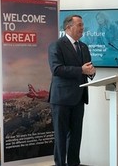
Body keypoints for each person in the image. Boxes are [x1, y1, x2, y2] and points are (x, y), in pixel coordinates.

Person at [48, 15, 96, 166]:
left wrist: (92, 72)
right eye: (80, 25)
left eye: (83, 25)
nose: (83, 28)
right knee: (61, 137)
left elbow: (87, 68)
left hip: (79, 98)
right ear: (68, 27)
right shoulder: (56, 45)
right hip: (61, 99)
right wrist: (81, 70)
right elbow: (57, 69)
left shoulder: (84, 47)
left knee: (76, 137)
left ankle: (74, 164)